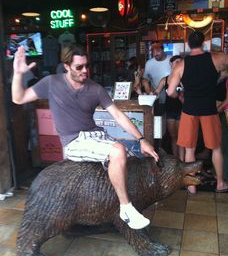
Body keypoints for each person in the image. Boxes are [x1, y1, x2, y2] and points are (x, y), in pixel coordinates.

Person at [12, 45, 159, 230]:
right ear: (66, 66)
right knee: (118, 150)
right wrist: (18, 74)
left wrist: (141, 139)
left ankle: (108, 209)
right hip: (74, 141)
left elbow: (118, 116)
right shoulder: (51, 83)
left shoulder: (95, 88)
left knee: (130, 156)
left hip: (96, 135)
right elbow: (18, 98)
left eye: (86, 66)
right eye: (79, 67)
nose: (85, 71)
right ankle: (125, 209)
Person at [167, 31, 228, 194]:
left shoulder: (181, 65)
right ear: (203, 43)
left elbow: (170, 92)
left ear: (188, 44)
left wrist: (179, 95)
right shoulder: (216, 58)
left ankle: (191, 186)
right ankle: (220, 183)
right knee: (216, 148)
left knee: (189, 149)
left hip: (189, 110)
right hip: (209, 110)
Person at [153, 55, 184, 161]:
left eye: (180, 62)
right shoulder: (165, 80)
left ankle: (182, 161)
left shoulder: (184, 78)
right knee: (173, 137)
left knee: (181, 138)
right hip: (170, 110)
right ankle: (176, 161)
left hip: (182, 111)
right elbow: (156, 92)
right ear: (171, 65)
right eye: (176, 62)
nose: (178, 64)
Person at [216, 68, 228, 184]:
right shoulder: (218, 78)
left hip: (226, 114)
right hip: (219, 113)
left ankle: (227, 173)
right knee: (220, 143)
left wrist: (217, 109)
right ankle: (221, 170)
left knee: (227, 143)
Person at [143, 42, 172, 113]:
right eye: (153, 52)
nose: (156, 54)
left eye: (158, 51)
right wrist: (148, 90)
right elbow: (145, 79)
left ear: (163, 50)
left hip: (171, 98)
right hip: (157, 98)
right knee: (158, 120)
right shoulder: (149, 63)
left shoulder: (171, 60)